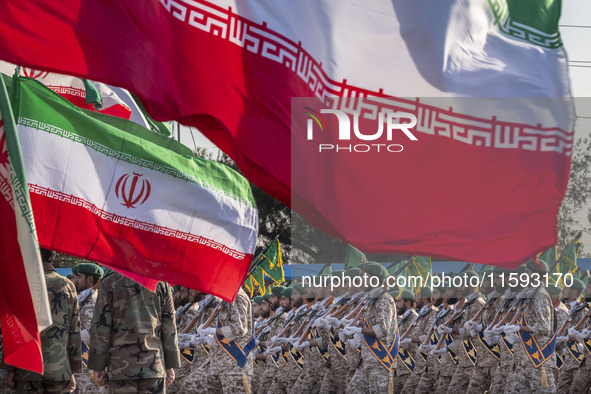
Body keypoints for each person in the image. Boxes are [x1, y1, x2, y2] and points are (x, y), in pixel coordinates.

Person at [88, 269, 180, 393]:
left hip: (119, 365)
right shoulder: (161, 283)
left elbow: (101, 326)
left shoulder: (109, 282)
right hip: (153, 363)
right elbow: (169, 326)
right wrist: (170, 364)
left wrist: (98, 366)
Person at [4, 248, 81, 393]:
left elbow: (12, 328)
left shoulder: (21, 283)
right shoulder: (68, 285)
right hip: (60, 370)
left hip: (26, 370)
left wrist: (10, 369)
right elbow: (74, 329)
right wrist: (72, 370)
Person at [71, 262, 105, 394]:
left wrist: (70, 338)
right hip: (80, 369)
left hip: (89, 370)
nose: (74, 281)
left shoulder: (95, 301)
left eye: (77, 277)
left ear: (90, 279)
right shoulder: (81, 299)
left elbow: (95, 334)